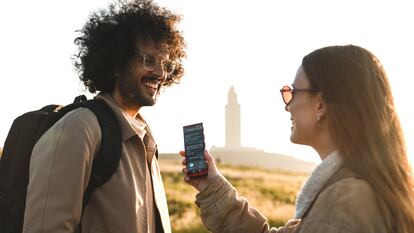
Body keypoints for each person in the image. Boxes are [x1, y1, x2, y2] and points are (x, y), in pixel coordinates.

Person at [180, 45, 414, 233]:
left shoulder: (342, 204)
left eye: (292, 93)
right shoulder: (356, 189)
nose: (287, 107)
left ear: (320, 104)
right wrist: (212, 187)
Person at [22, 0, 186, 233]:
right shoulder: (78, 128)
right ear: (117, 61)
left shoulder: (146, 140)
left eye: (165, 64)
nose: (160, 73)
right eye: (149, 60)